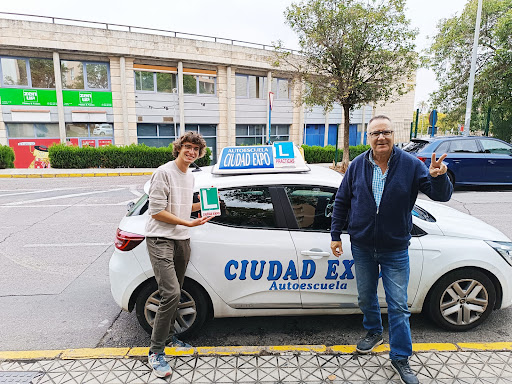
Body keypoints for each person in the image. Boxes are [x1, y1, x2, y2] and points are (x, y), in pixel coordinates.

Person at [330, 115, 452, 384]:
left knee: (398, 305)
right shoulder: (358, 165)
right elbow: (342, 200)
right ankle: (374, 331)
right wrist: (336, 234)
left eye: (386, 132)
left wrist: (439, 177)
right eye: (375, 133)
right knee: (365, 297)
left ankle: (400, 358)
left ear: (393, 135)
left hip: (395, 247)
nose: (381, 137)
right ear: (368, 138)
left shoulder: (410, 165)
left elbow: (440, 195)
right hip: (361, 245)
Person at [145, 132, 212, 378]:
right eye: (187, 147)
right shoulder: (164, 172)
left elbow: (183, 205)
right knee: (170, 293)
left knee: (175, 294)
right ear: (179, 148)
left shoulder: (189, 176)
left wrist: (207, 205)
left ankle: (171, 338)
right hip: (161, 239)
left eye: (196, 149)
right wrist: (189, 222)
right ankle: (156, 352)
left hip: (182, 240)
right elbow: (156, 211)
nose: (191, 152)